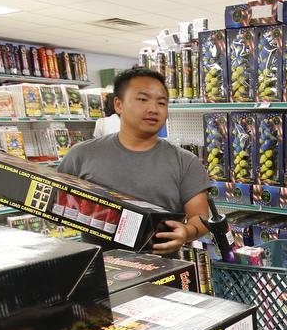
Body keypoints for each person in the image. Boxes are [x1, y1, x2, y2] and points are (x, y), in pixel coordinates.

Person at [60, 67, 209, 255]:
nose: (153, 109)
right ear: (118, 104)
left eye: (162, 103)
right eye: (142, 99)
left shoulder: (185, 162)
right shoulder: (81, 155)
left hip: (163, 273)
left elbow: (201, 217)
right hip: (100, 271)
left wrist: (186, 232)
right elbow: (55, 203)